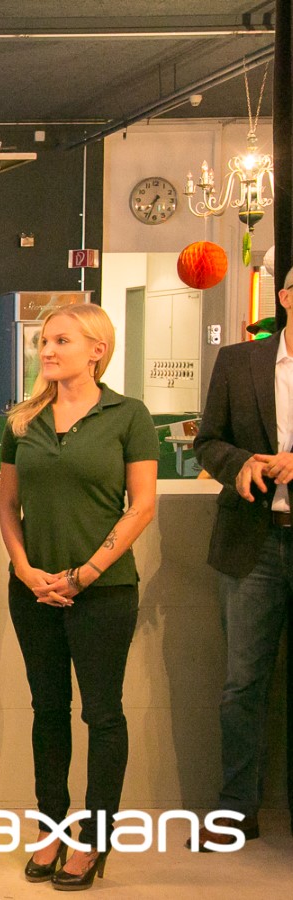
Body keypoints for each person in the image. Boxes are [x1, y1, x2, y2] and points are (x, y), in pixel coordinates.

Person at [0, 303, 157, 890]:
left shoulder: (128, 415)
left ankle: (95, 839)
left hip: (104, 591)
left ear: (97, 350)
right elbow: (7, 505)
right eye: (44, 340)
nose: (47, 349)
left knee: (102, 713)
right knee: (47, 710)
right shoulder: (23, 420)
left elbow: (141, 506)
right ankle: (50, 828)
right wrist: (24, 569)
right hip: (34, 591)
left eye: (61, 340)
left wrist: (85, 573)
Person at [191, 269, 293, 850]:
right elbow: (207, 441)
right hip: (253, 542)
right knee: (242, 685)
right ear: (285, 297)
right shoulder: (238, 361)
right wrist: (242, 465)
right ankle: (236, 810)